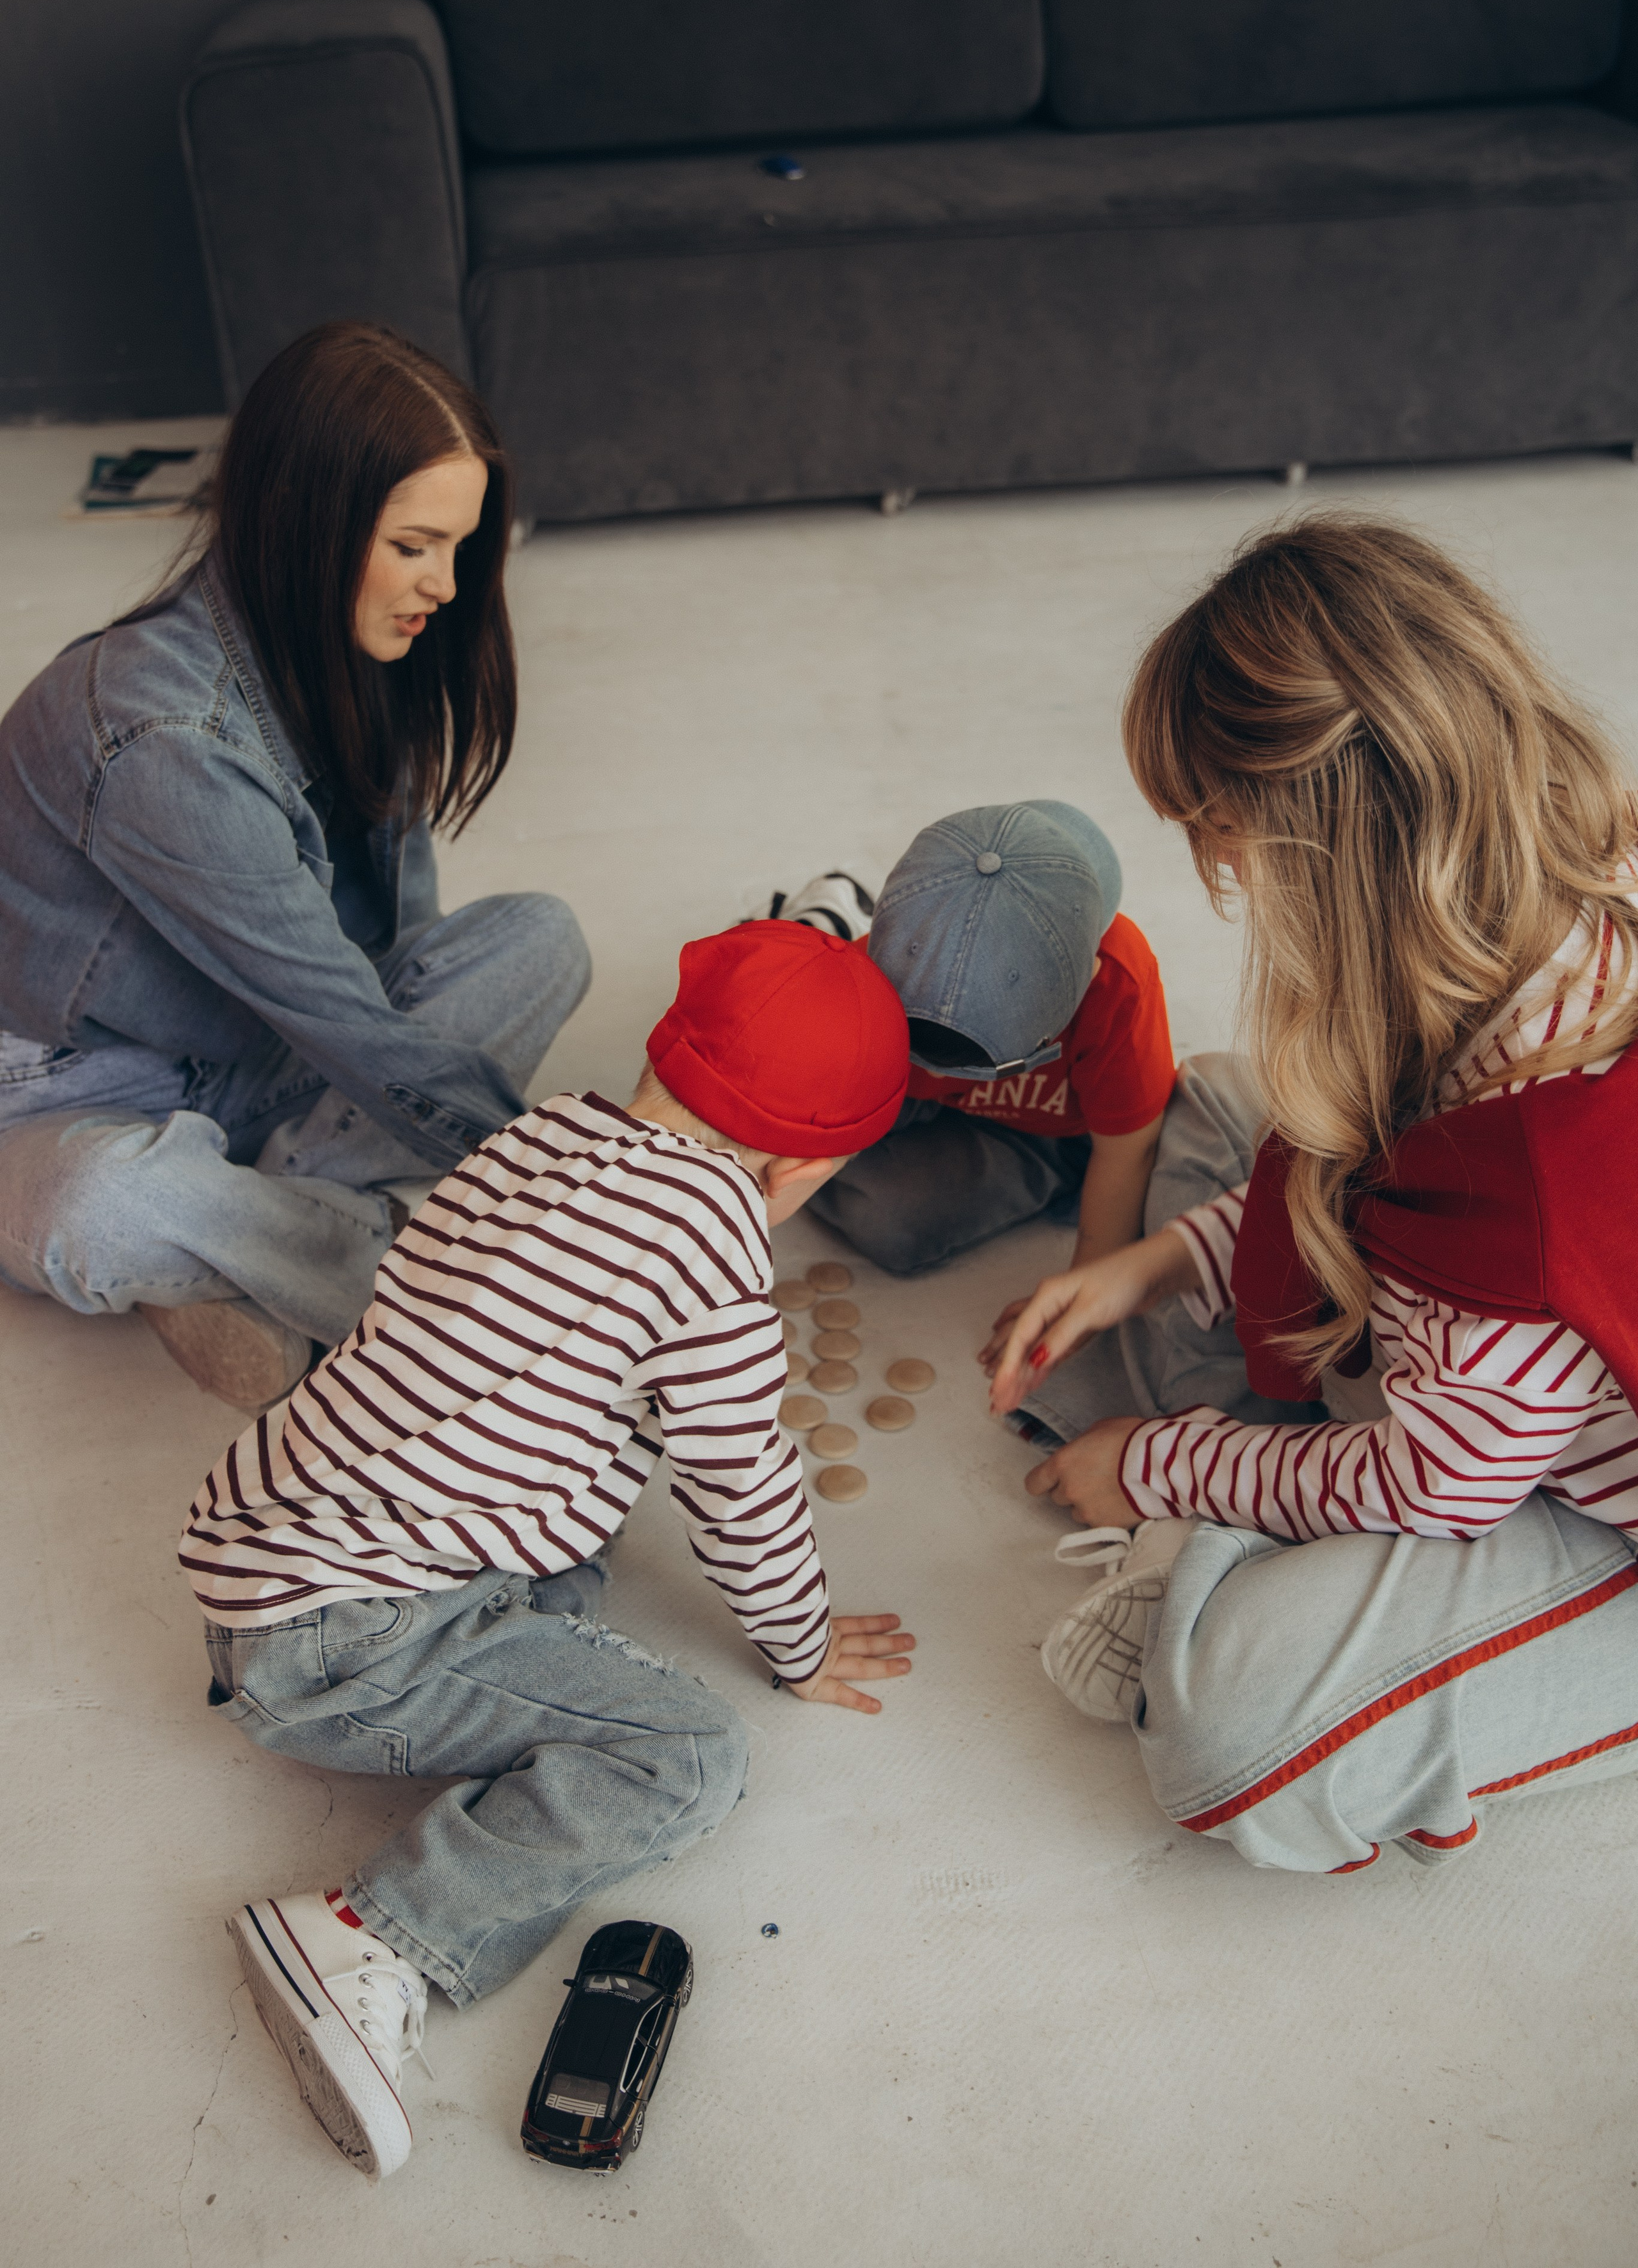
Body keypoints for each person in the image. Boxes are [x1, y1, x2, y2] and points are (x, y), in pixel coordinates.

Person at [179, 919, 915, 2179]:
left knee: (572, 1558)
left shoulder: (537, 1133)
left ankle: (457, 1705)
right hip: (344, 1638)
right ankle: (373, 1932)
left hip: (269, 1547)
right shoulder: (713, 1248)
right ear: (797, 1175)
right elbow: (740, 1480)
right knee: (685, 1755)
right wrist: (794, 1645)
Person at [989, 514, 1638, 1877]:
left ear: (1315, 858)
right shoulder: (1516, 920)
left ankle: (1207, 1538)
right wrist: (1162, 1259)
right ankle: (1241, 1449)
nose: (1210, 878)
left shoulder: (1526, 1169)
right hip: (1495, 1356)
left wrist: (1154, 1463)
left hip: (1538, 1473)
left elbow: (1432, 1483)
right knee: (1227, 1107)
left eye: (1215, 840)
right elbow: (1354, 1156)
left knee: (1232, 1735)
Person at [0, 321, 589, 1410]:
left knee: (539, 939)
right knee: (101, 1208)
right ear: (305, 525)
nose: (446, 586)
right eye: (414, 546)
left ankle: (260, 1248)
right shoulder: (160, 736)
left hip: (257, 1047)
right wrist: (561, 1201)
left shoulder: (370, 655)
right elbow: (353, 1025)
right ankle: (387, 1268)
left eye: (457, 548)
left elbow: (390, 963)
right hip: (65, 1094)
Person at [810, 802, 1177, 1288]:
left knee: (893, 1224)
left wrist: (1086, 1288)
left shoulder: (1120, 986)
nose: (944, 1076)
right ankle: (819, 925)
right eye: (918, 1042)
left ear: (1085, 982)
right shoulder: (877, 964)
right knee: (786, 1136)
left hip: (1041, 1135)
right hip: (899, 1094)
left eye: (985, 1063)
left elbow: (1130, 1153)